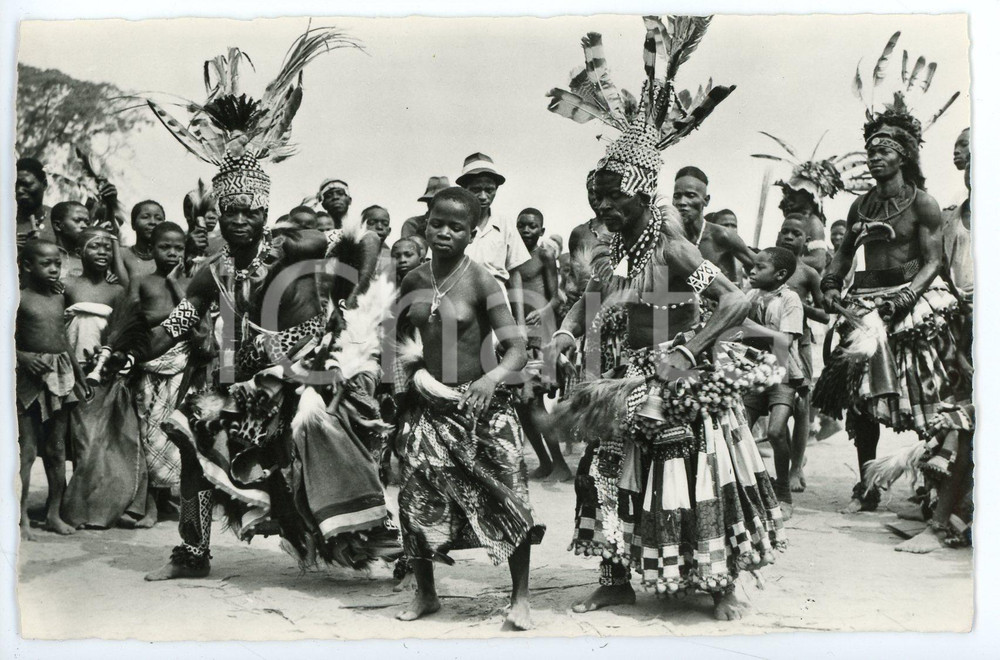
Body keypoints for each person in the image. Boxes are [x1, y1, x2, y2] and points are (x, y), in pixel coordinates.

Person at [133, 27, 399, 580]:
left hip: (290, 373)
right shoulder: (210, 272)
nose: (240, 222)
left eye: (250, 213)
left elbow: (364, 246)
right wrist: (135, 349)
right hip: (227, 381)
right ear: (221, 216)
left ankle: (371, 537)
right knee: (189, 438)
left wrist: (340, 312)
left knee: (317, 435)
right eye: (231, 213)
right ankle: (193, 551)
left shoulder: (291, 247)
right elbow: (182, 323)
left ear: (262, 212)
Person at [546, 16, 779, 622]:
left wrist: (689, 349)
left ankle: (718, 585)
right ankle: (618, 580)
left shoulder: (674, 245)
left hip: (681, 381)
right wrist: (571, 329)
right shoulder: (616, 248)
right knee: (605, 475)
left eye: (613, 200)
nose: (603, 211)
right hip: (621, 380)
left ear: (644, 192)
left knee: (690, 477)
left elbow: (733, 300)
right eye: (597, 202)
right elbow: (591, 297)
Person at [393, 186, 543, 630]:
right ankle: (426, 594)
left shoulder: (482, 280)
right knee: (415, 502)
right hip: (430, 408)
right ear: (425, 224)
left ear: (472, 232)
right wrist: (402, 404)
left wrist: (490, 377)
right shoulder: (412, 281)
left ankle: (521, 599)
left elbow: (516, 348)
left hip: (483, 410)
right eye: (436, 223)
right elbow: (397, 343)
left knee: (509, 499)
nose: (443, 232)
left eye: (456, 227)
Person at [815, 87, 961, 514]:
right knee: (860, 401)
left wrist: (906, 296)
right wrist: (829, 282)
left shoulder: (924, 204)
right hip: (863, 307)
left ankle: (933, 483)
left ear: (904, 156)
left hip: (913, 305)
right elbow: (842, 256)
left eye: (883, 151)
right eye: (870, 152)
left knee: (926, 394)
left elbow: (934, 261)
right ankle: (869, 483)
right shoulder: (860, 206)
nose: (874, 158)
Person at [61, 228, 145, 529]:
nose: (102, 253)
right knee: (85, 442)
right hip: (77, 372)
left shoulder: (116, 291)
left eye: (108, 248)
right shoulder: (68, 287)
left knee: (111, 441)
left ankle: (106, 509)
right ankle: (79, 510)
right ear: (80, 251)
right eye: (94, 247)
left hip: (106, 372)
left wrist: (113, 358)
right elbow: (59, 329)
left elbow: (127, 319)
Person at [17, 240, 90, 539]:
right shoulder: (17, 298)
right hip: (29, 377)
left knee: (57, 450)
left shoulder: (59, 300)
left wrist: (80, 375)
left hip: (60, 375)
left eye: (57, 264)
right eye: (46, 264)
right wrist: (21, 356)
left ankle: (53, 514)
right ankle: (20, 516)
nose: (53, 269)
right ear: (26, 266)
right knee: (28, 450)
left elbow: (62, 340)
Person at [134, 222, 190, 527]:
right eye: (164, 247)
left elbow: (195, 317)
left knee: (176, 432)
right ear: (151, 249)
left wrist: (175, 284)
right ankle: (152, 506)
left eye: (177, 247)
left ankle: (171, 501)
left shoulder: (191, 282)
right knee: (149, 431)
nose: (171, 252)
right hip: (150, 365)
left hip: (181, 364)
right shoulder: (143, 282)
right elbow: (136, 317)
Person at [741, 247, 805, 517]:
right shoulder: (751, 294)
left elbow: (784, 342)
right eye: (752, 266)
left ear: (779, 274)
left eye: (759, 267)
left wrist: (748, 326)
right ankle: (745, 492)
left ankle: (783, 492)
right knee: (739, 430)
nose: (752, 271)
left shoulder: (790, 300)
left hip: (782, 372)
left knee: (777, 431)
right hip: (753, 371)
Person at [513, 207, 569, 481]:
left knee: (534, 403)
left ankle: (560, 465)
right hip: (516, 336)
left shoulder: (544, 256)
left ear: (541, 230)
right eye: (521, 225)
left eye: (532, 226)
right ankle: (546, 463)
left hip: (540, 336)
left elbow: (558, 298)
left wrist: (543, 310)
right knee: (522, 405)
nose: (526, 230)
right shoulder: (511, 257)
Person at [775, 214, 829, 491]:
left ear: (806, 241)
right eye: (785, 231)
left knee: (800, 405)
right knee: (775, 405)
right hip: (771, 342)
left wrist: (795, 303)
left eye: (796, 234)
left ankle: (796, 467)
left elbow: (825, 314)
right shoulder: (767, 264)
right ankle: (781, 467)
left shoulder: (808, 273)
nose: (788, 237)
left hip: (800, 343)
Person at [456, 152, 531, 325]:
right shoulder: (455, 222)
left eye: (489, 190)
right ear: (464, 190)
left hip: (497, 304)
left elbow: (514, 275)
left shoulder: (504, 223)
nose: (483, 196)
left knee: (498, 350)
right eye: (476, 190)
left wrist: (519, 323)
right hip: (459, 302)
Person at [672, 167, 755, 284]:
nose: (681, 202)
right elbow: (658, 294)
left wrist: (747, 294)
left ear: (706, 200)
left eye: (690, 195)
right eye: (677, 196)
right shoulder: (667, 239)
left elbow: (764, 268)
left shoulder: (722, 236)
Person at [122, 200, 166, 288]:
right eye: (145, 217)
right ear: (133, 224)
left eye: (158, 218)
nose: (153, 222)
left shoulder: (170, 257)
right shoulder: (121, 254)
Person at [15, 157, 55, 248]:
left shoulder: (59, 217)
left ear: (44, 185)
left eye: (26, 184)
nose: (19, 190)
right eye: (15, 185)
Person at [400, 175, 450, 240]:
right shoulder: (413, 224)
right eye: (432, 201)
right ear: (428, 203)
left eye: (443, 200)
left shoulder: (457, 225)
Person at [362, 205, 392, 276]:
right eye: (372, 223)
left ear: (389, 231)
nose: (379, 227)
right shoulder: (351, 252)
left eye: (385, 224)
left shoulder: (391, 257)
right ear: (361, 227)